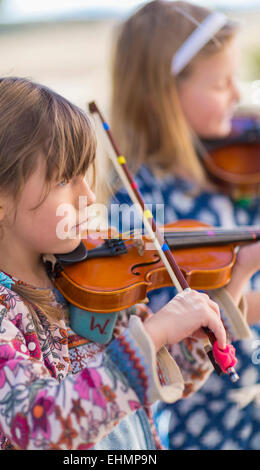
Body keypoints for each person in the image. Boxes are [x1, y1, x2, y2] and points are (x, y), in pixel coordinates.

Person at [0, 75, 252, 451]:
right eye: (65, 179)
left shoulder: (86, 275)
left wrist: (232, 281)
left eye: (84, 174)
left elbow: (167, 379)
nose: (87, 192)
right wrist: (152, 336)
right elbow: (40, 427)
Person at [110, 0, 260, 449]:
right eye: (220, 82)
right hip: (215, 418)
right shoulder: (140, 199)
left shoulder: (235, 160)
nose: (237, 94)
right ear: (161, 96)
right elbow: (166, 317)